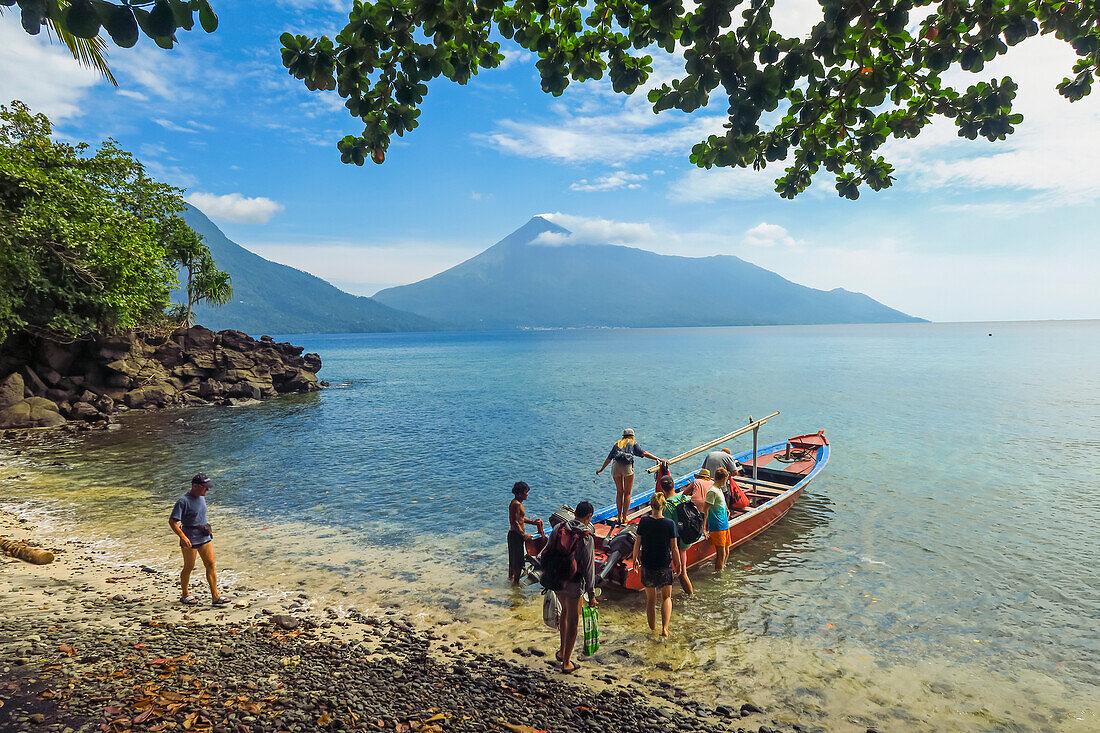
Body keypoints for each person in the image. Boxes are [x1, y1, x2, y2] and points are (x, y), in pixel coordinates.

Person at [541, 501, 596, 673]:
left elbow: (547, 550)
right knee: (573, 619)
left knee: (564, 613)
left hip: (558, 580)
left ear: (575, 513)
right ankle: (566, 662)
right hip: (574, 582)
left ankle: (562, 652)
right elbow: (589, 568)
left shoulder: (559, 528)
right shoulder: (586, 536)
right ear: (588, 517)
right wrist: (592, 594)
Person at [169, 473, 229, 606]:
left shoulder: (202, 497)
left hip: (204, 534)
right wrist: (182, 537)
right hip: (189, 538)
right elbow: (172, 521)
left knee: (210, 564)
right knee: (189, 567)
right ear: (194, 486)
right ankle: (185, 594)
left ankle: (215, 596)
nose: (207, 490)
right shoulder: (183, 501)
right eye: (204, 487)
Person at [633, 493, 681, 636]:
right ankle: (665, 628)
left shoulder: (644, 521)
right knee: (666, 597)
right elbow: (674, 548)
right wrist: (678, 564)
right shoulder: (669, 524)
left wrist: (635, 557)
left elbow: (638, 542)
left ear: (651, 506)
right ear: (663, 506)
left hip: (648, 565)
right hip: (664, 565)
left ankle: (652, 629)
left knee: (650, 600)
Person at [596, 429, 664, 524]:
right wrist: (658, 458)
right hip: (627, 467)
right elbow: (644, 453)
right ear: (632, 436)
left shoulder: (618, 443)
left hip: (616, 466)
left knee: (620, 492)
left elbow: (609, 458)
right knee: (627, 493)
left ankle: (619, 517)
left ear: (623, 436)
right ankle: (624, 517)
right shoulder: (633, 443)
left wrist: (601, 469)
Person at [659, 476, 694, 595]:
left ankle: (691, 596)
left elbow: (664, 528)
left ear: (662, 488)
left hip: (678, 543)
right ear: (674, 485)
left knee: (682, 573)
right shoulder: (684, 497)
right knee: (681, 571)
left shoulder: (666, 506)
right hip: (687, 536)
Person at [508, 481, 544, 585]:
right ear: (520, 493)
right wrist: (523, 535)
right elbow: (514, 522)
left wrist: (533, 523)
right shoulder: (516, 504)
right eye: (526, 492)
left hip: (515, 535)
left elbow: (520, 519)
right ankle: (516, 584)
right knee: (518, 563)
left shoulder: (516, 503)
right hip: (516, 536)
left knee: (513, 560)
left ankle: (511, 580)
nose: (527, 494)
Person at [703, 470, 732, 571]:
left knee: (726, 552)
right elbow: (705, 510)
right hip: (717, 526)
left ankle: (722, 570)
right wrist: (704, 529)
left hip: (724, 524)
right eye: (727, 479)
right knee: (721, 554)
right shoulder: (712, 491)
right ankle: (719, 575)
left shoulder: (719, 489)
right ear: (724, 478)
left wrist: (727, 511)